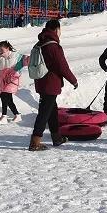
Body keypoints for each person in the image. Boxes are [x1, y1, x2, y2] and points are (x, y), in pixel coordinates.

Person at [30, 19, 77, 151]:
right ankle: (35, 142)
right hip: (50, 84)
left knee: (52, 111)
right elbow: (62, 66)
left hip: (41, 81)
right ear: (56, 29)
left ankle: (57, 138)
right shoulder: (53, 46)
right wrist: (73, 80)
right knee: (44, 113)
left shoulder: (40, 43)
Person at [0, 40, 27, 123]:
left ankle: (4, 117)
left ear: (7, 48)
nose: (0, 52)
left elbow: (25, 60)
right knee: (9, 100)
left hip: (12, 79)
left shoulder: (16, 56)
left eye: (1, 50)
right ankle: (17, 115)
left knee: (4, 96)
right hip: (2, 81)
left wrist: (32, 60)